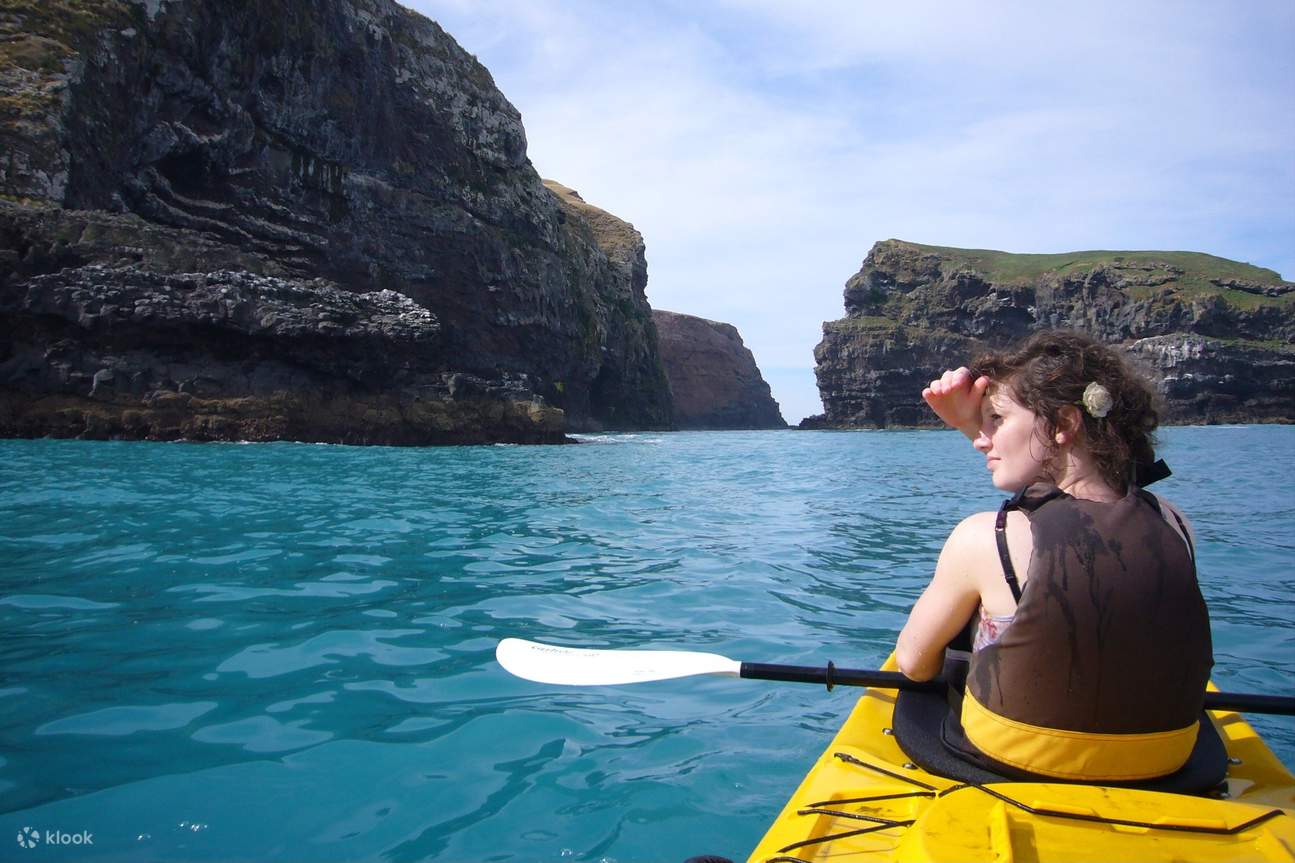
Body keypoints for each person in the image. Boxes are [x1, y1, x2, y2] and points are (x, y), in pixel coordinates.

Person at [895, 330, 1213, 782]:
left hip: (1013, 760)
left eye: (996, 419)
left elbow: (914, 663)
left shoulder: (984, 538)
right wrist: (975, 424)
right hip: (1165, 763)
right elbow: (1066, 512)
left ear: (1064, 423)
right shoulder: (1175, 523)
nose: (982, 440)